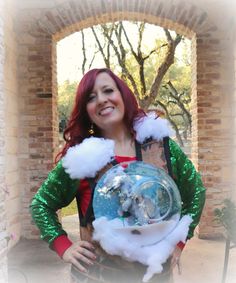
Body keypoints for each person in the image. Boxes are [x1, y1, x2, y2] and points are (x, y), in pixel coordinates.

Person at [30, 68, 206, 283]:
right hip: (96, 277)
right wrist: (64, 246)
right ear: (87, 110)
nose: (102, 100)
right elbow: (41, 204)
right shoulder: (82, 158)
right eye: (91, 97)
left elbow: (195, 191)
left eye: (108, 90)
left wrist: (179, 242)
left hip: (156, 275)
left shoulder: (161, 147)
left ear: (122, 95)